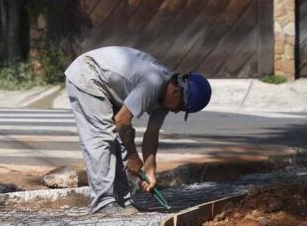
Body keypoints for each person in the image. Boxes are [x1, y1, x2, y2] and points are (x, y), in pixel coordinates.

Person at [64, 46, 212, 213]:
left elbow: (151, 134)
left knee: (121, 142)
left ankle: (122, 201)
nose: (176, 111)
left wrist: (150, 172)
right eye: (181, 107)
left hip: (105, 83)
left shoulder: (166, 99)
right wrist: (134, 156)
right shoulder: (154, 82)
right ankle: (103, 204)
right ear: (177, 91)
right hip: (88, 74)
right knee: (102, 138)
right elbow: (122, 119)